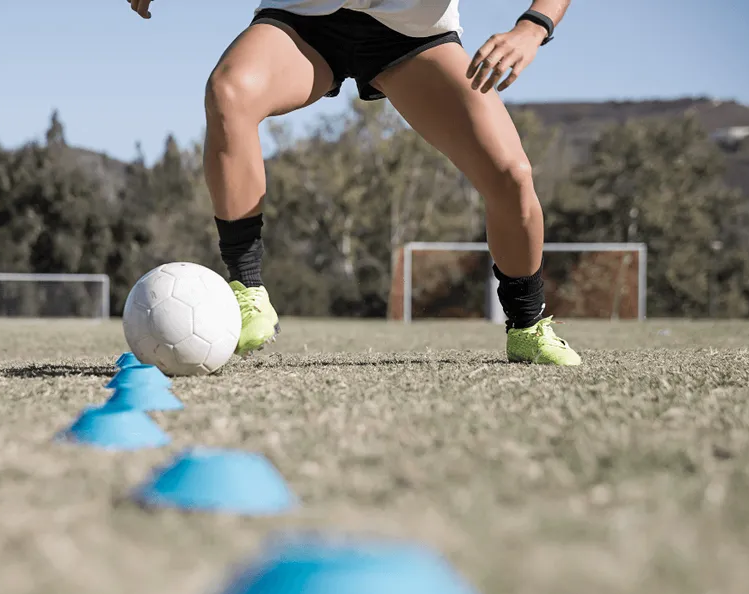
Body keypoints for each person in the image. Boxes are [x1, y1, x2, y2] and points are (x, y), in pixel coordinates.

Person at [126, 0, 581, 366]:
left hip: (415, 37)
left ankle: (527, 326)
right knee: (229, 93)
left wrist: (533, 26)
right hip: (301, 22)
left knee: (512, 176)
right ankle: (248, 289)